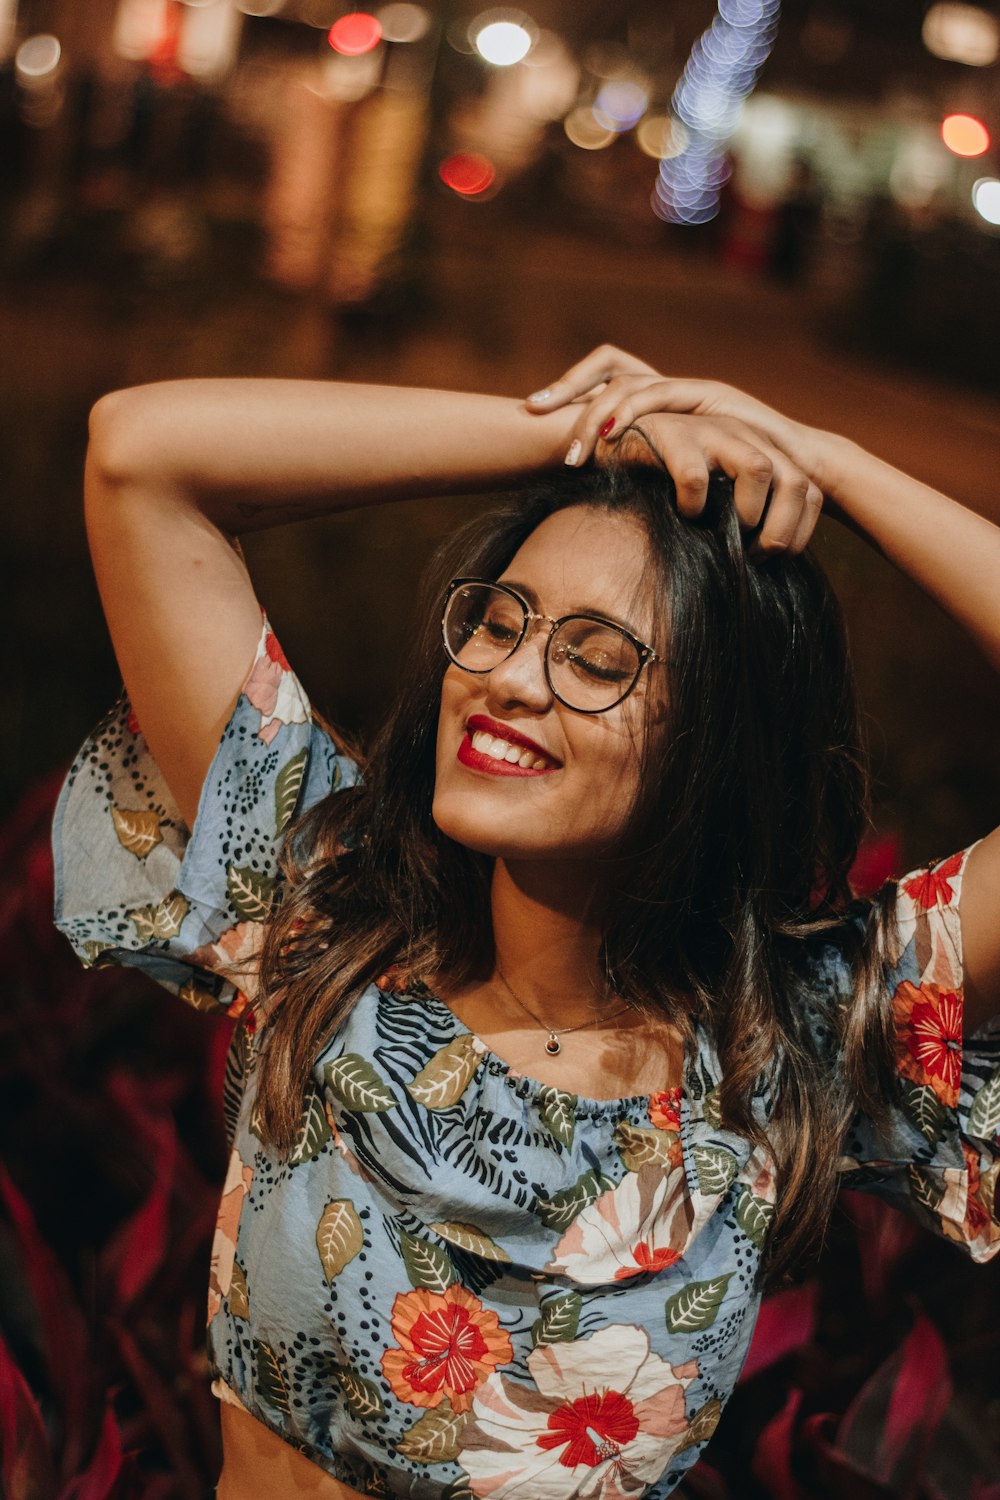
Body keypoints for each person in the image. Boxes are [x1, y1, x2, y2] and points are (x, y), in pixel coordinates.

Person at [53, 345, 1000, 1499]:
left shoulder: (791, 1044)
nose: (507, 676)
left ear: (716, 749)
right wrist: (582, 431)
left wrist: (830, 464)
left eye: (595, 659)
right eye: (501, 621)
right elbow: (140, 455)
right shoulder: (326, 912)